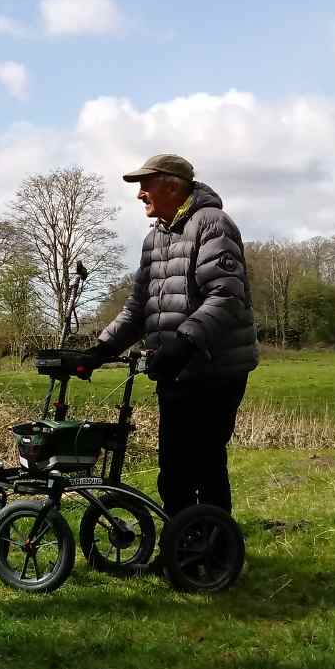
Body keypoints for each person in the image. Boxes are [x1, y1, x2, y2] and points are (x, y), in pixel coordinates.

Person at [84, 154, 258, 514]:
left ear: (172, 187)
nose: (139, 194)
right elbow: (138, 307)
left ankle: (211, 542)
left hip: (215, 369)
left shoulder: (213, 224)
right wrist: (100, 350)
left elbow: (226, 296)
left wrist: (184, 341)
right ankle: (185, 537)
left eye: (145, 185)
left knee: (203, 461)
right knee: (174, 467)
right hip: (175, 369)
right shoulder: (155, 238)